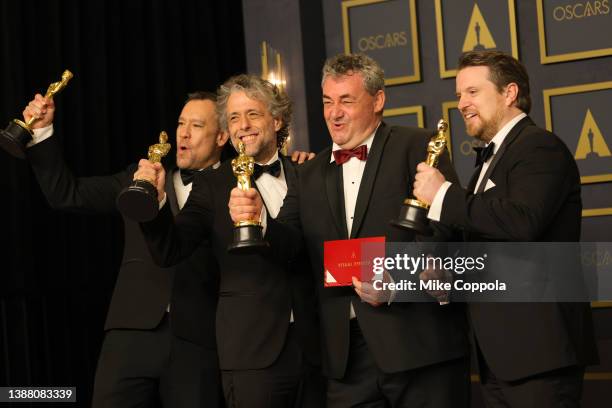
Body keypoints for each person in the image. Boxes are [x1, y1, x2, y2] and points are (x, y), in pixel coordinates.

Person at [230, 53, 471, 407]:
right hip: (344, 359)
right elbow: (291, 246)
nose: (334, 113)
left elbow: (444, 232)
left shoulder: (416, 146)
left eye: (346, 101)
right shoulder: (308, 174)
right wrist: (259, 221)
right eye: (328, 102)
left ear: (378, 101)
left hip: (417, 348)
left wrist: (397, 282)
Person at [413, 50, 599, 407]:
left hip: (539, 354)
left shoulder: (540, 147)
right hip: (498, 357)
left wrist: (443, 193)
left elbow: (522, 221)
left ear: (509, 93)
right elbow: (488, 239)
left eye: (472, 92)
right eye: (458, 95)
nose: (462, 104)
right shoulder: (490, 158)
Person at [23, 91, 228, 407]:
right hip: (130, 332)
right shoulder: (139, 177)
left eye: (197, 125)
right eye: (180, 123)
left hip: (198, 340)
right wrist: (40, 133)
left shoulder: (237, 187)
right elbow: (67, 194)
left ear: (222, 137)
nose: (184, 133)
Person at [136, 74, 322, 407]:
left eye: (253, 114)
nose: (242, 125)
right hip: (252, 353)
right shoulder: (211, 185)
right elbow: (170, 249)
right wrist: (157, 202)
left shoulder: (307, 172)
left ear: (277, 120)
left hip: (318, 349)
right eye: (234, 117)